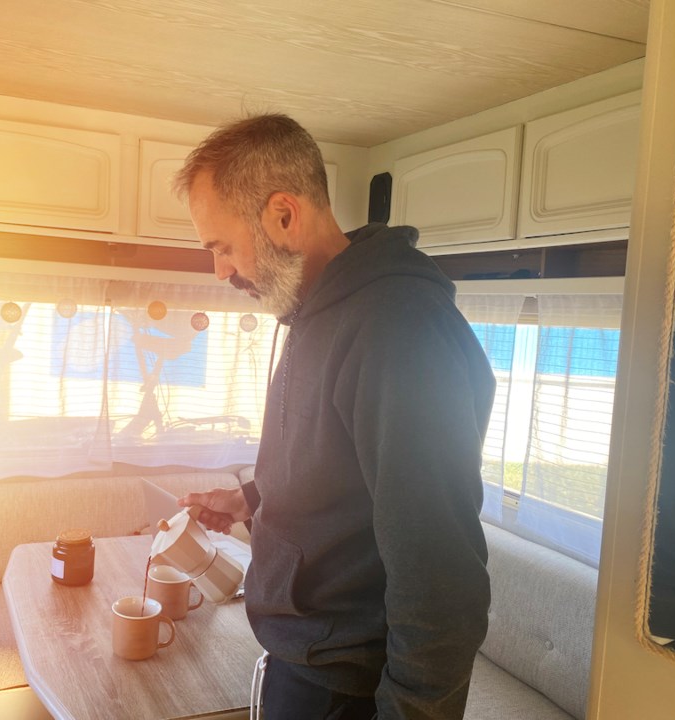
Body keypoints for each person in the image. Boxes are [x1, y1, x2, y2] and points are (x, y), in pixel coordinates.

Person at [172, 114, 496, 720]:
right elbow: (338, 470)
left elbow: (440, 577)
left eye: (222, 246)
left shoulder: (398, 330)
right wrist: (253, 498)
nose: (219, 271)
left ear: (284, 216)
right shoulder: (311, 309)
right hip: (303, 663)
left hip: (348, 690)